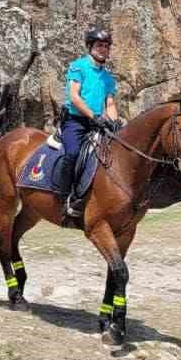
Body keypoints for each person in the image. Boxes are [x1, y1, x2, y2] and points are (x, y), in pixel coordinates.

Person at [60, 28, 120, 219]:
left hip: (97, 123)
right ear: (90, 47)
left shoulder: (108, 78)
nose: (103, 49)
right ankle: (65, 195)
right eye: (99, 45)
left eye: (106, 46)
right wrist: (95, 116)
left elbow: (110, 103)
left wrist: (114, 121)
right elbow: (75, 97)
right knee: (72, 153)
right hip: (75, 122)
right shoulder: (78, 67)